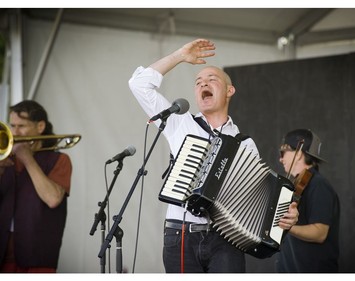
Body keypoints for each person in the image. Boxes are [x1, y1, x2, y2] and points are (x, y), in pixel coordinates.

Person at [128, 38, 299, 273]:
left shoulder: (245, 143)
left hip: (226, 241)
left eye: (211, 79)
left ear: (230, 91)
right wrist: (179, 56)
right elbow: (139, 85)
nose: (202, 84)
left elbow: (258, 200)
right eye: (198, 82)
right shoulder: (180, 122)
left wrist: (284, 216)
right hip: (181, 234)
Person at [0, 100, 72, 273]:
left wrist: (27, 158)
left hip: (37, 260)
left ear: (40, 126)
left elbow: (53, 199)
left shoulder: (59, 160)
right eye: (12, 125)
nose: (14, 132)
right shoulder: (6, 160)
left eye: (21, 126)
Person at [275, 129, 340, 272]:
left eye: (283, 152)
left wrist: (288, 227)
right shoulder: (296, 185)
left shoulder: (318, 185)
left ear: (298, 154)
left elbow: (320, 232)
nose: (280, 159)